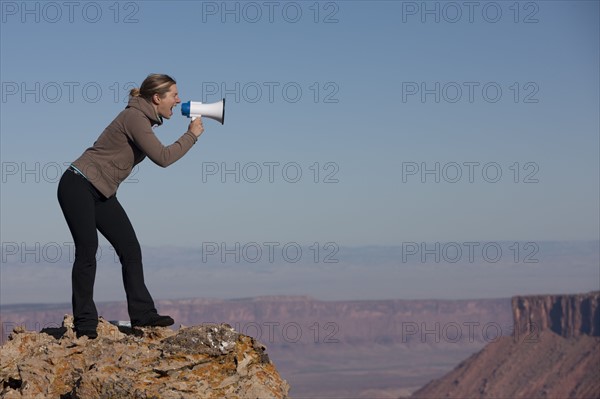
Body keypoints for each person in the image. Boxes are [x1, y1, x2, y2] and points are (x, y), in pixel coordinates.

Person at [57, 74, 204, 339]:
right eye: (174, 95)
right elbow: (163, 157)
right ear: (157, 98)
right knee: (88, 250)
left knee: (130, 248)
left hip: (102, 190)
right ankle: (85, 324)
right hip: (78, 184)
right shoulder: (135, 118)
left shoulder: (143, 119)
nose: (179, 100)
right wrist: (191, 136)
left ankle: (143, 314)